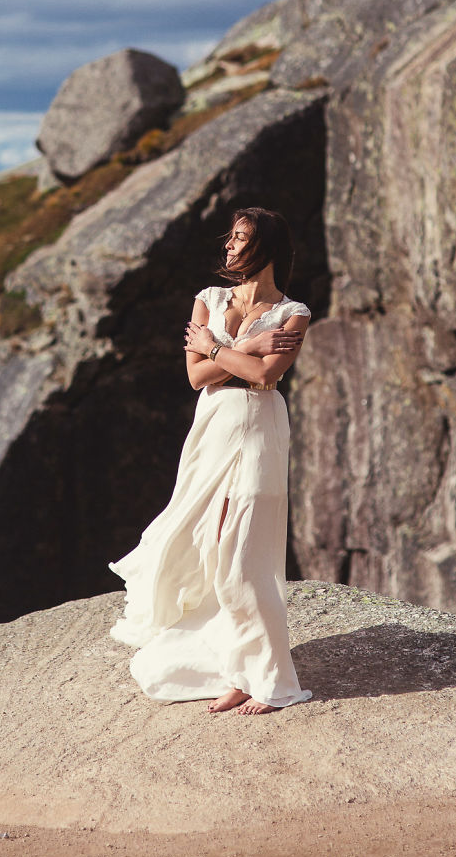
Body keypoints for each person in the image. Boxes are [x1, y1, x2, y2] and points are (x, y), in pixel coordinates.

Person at [109, 207, 313, 714]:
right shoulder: (208, 300)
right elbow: (196, 377)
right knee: (210, 549)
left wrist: (220, 349)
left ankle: (270, 681)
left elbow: (266, 378)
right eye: (230, 238)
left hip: (260, 429)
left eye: (240, 238)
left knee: (245, 556)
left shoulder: (295, 313)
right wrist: (246, 347)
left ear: (263, 246)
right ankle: (234, 668)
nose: (229, 247)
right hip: (214, 430)